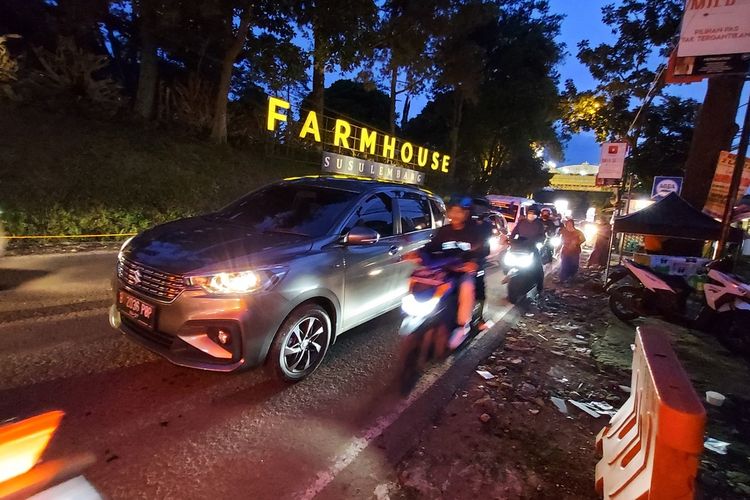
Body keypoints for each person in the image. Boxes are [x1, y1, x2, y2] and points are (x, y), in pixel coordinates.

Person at [408, 196, 484, 349]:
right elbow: (430, 248)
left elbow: (481, 251)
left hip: (462, 272)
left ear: (465, 214)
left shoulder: (474, 233)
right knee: (417, 278)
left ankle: (463, 326)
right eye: (452, 211)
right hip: (442, 270)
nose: (455, 215)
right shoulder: (443, 231)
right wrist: (417, 254)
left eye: (459, 212)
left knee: (466, 287)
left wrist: (472, 263)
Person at [510, 206, 546, 294]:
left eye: (533, 213)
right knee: (505, 258)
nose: (531, 215)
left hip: (532, 249)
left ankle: (540, 287)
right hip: (519, 248)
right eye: (530, 213)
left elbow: (542, 236)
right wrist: (510, 240)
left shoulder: (539, 224)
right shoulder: (521, 223)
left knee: (538, 268)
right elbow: (513, 233)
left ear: (536, 215)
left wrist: (538, 241)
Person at [559, 218, 586, 282]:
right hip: (565, 251)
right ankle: (563, 278)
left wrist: (577, 243)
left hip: (575, 251)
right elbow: (560, 238)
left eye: (570, 224)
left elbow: (583, 239)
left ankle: (571, 277)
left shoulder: (578, 232)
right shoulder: (563, 231)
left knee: (574, 264)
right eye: (568, 224)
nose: (569, 225)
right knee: (564, 264)